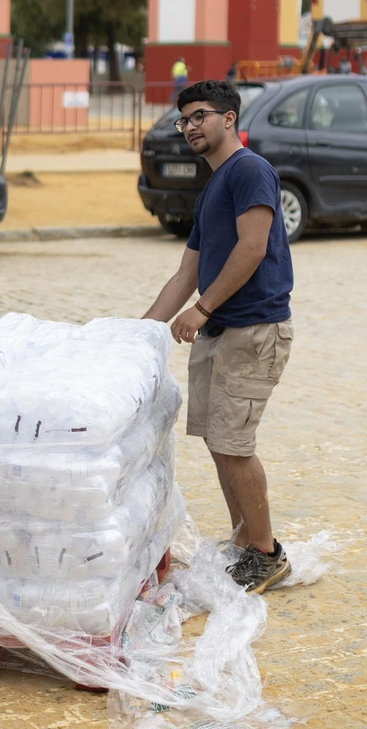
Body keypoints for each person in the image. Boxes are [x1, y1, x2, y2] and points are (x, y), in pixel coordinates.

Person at [142, 79, 294, 592]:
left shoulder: (249, 171)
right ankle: (246, 544)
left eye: (199, 116)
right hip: (221, 330)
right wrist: (133, 335)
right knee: (217, 440)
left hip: (251, 329)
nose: (189, 127)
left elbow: (252, 249)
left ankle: (267, 553)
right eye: (183, 119)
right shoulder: (213, 187)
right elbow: (185, 272)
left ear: (229, 118)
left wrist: (202, 310)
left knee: (234, 444)